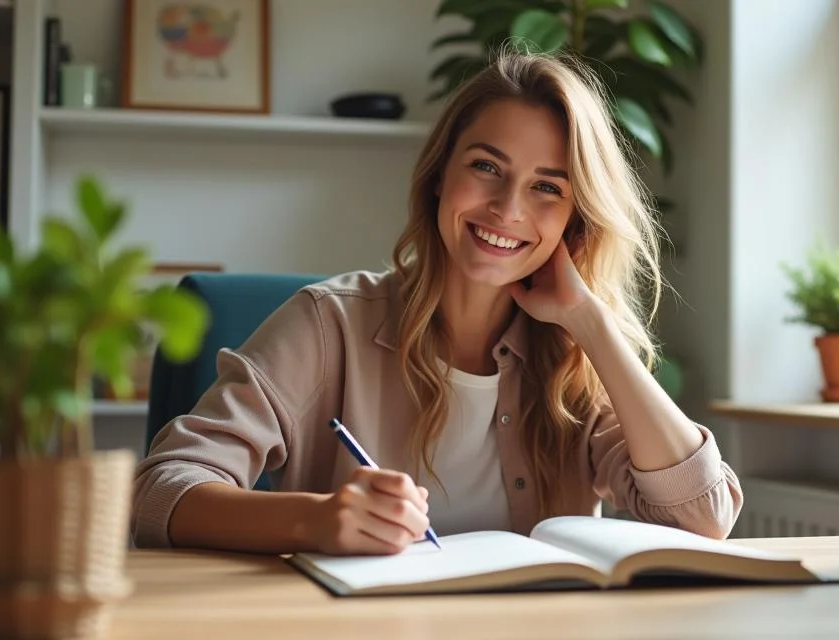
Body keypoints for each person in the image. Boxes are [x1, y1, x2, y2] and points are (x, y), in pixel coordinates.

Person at [132, 50, 743, 556]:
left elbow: (703, 518)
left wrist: (592, 322)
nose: (507, 209)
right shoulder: (328, 324)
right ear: (439, 176)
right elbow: (162, 490)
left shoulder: (579, 359)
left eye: (547, 188)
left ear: (574, 221)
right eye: (486, 167)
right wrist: (314, 521)